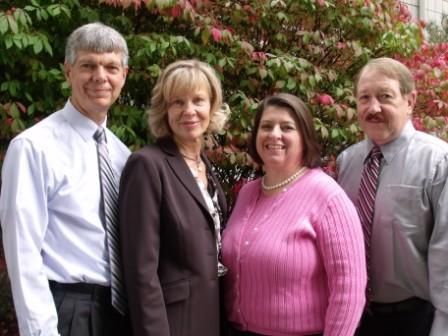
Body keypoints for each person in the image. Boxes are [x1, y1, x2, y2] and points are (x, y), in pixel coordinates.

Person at [0, 22, 130, 336]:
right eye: (88, 65)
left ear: (124, 76)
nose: (101, 76)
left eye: (111, 67)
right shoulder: (34, 147)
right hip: (65, 312)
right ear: (68, 71)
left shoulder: (122, 154)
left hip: (119, 313)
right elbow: (23, 250)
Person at [222, 93, 367, 336]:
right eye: (266, 126)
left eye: (287, 127)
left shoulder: (328, 197)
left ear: (304, 137)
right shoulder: (248, 193)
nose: (274, 134)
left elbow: (348, 291)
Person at [337, 57, 448, 336]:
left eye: (385, 96)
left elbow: (445, 250)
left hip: (416, 319)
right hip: (357, 317)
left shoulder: (437, 161)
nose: (373, 108)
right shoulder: (346, 162)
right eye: (364, 98)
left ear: (410, 101)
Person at [118, 59, 229, 336]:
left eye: (198, 100)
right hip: (173, 322)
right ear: (164, 110)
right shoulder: (147, 165)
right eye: (177, 102)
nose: (189, 111)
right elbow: (141, 271)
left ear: (212, 106)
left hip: (212, 316)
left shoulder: (206, 167)